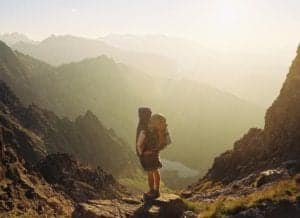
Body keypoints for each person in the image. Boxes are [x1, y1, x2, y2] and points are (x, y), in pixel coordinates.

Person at [136, 110, 170, 199]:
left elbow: (140, 144)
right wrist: (156, 150)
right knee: (156, 171)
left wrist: (142, 153)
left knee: (150, 173)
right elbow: (163, 143)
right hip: (155, 154)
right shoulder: (159, 131)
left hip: (149, 155)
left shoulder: (149, 130)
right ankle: (157, 190)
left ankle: (151, 191)